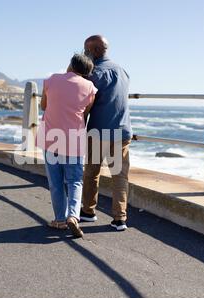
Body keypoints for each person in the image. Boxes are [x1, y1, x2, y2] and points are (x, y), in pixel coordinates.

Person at [38, 54, 98, 238]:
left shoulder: (51, 80)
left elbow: (43, 106)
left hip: (50, 138)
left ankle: (59, 220)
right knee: (74, 181)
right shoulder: (89, 87)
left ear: (70, 65)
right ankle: (73, 216)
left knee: (55, 183)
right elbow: (85, 113)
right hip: (74, 140)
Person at [81, 35, 132, 232]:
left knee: (92, 173)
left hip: (99, 131)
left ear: (93, 51)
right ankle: (120, 219)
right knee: (120, 176)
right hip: (122, 130)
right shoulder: (123, 71)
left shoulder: (93, 74)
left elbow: (85, 104)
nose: (85, 54)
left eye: (86, 50)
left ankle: (88, 211)